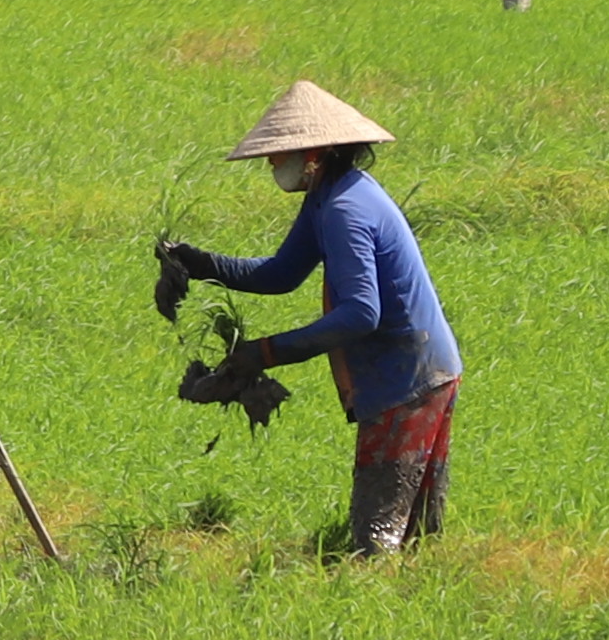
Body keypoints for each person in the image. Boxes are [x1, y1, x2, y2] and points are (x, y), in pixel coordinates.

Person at [160, 80, 463, 554]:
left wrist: (264, 353)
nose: (272, 164)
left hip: (407, 378)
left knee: (378, 531)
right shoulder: (328, 196)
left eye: (280, 154)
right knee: (416, 533)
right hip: (423, 368)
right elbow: (281, 274)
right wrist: (203, 264)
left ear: (316, 151)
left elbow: (361, 314)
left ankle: (372, 606)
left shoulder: (345, 208)